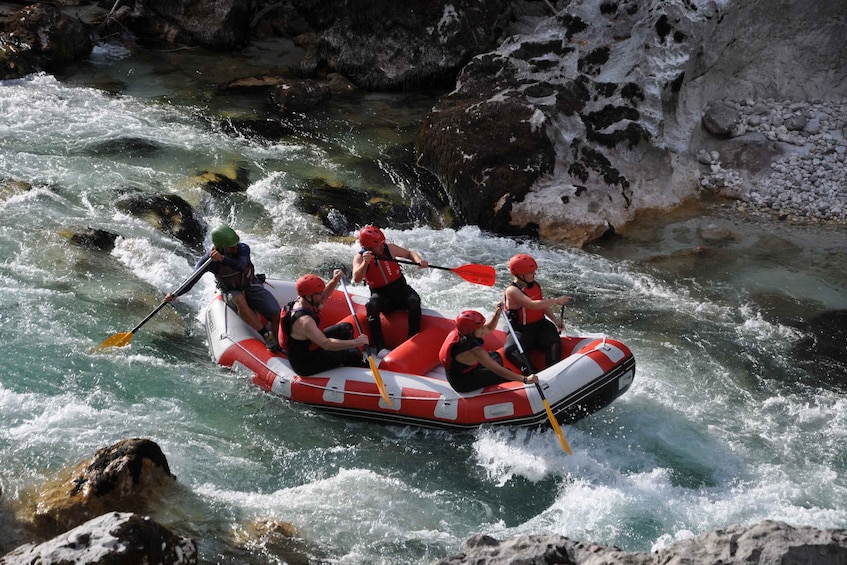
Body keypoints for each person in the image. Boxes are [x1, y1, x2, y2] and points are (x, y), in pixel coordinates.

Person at [165, 225, 281, 352]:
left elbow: (242, 265)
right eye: (232, 247)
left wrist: (222, 259)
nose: (236, 248)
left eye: (236, 244)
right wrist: (175, 294)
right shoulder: (209, 261)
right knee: (239, 299)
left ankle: (279, 343)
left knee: (276, 313)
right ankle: (266, 335)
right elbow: (192, 279)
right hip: (230, 291)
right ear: (221, 247)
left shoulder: (243, 249)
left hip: (251, 285)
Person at [351, 225, 428, 353]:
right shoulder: (359, 258)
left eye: (382, 243)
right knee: (371, 305)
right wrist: (365, 263)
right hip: (382, 296)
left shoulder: (390, 249)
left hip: (400, 289)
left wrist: (419, 260)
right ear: (368, 247)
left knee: (414, 300)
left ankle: (412, 338)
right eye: (378, 245)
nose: (382, 246)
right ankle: (380, 347)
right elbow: (357, 278)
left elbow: (409, 253)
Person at [280, 270, 370, 376]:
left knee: (346, 328)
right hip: (305, 363)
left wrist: (334, 280)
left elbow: (324, 295)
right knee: (352, 352)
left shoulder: (304, 300)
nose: (323, 295)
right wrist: (356, 342)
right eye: (319, 293)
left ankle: (343, 359)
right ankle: (360, 372)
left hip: (311, 345)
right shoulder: (305, 321)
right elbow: (326, 344)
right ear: (309, 297)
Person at [439, 306, 539, 393]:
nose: (484, 330)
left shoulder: (461, 331)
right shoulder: (476, 351)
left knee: (496, 357)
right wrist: (525, 380)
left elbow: (490, 328)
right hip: (462, 381)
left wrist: (496, 315)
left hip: (462, 368)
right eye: (481, 328)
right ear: (471, 331)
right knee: (503, 373)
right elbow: (498, 370)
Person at [502, 253, 569, 375]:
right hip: (521, 330)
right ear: (520, 274)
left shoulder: (535, 285)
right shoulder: (512, 291)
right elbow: (532, 305)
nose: (534, 274)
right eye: (531, 272)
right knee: (510, 350)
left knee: (554, 340)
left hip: (539, 325)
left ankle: (554, 371)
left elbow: (542, 306)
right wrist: (556, 300)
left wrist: (555, 320)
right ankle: (532, 374)